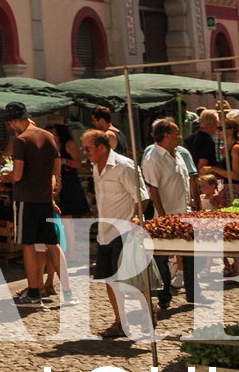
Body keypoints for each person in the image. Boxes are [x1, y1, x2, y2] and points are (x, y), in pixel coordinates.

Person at [82, 129, 152, 338]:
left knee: (131, 279)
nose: (84, 152)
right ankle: (121, 322)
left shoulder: (124, 166)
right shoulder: (96, 166)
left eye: (87, 148)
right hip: (105, 232)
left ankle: (148, 316)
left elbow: (142, 197)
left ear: (102, 148)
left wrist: (135, 220)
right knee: (110, 280)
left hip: (124, 229)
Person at [1, 101, 60, 307]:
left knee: (28, 245)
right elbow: (56, 170)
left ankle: (34, 291)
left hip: (26, 198)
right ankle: (69, 291)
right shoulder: (49, 136)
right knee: (52, 244)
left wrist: (5, 177)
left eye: (10, 123)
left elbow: (17, 175)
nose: (10, 128)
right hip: (45, 198)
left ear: (15, 120)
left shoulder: (21, 140)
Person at [141, 117, 194, 310]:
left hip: (183, 210)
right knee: (161, 256)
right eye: (176, 132)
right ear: (165, 135)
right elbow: (152, 189)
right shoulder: (153, 158)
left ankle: (192, 292)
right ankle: (164, 294)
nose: (179, 136)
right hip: (165, 214)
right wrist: (163, 216)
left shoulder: (177, 154)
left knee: (189, 252)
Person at [51, 124, 90, 218]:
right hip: (58, 180)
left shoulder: (69, 144)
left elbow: (78, 163)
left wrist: (65, 161)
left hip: (68, 182)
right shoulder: (55, 145)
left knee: (67, 214)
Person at [185, 108, 223, 174]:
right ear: (211, 124)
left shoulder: (190, 138)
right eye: (216, 123)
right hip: (202, 179)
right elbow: (202, 165)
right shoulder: (208, 142)